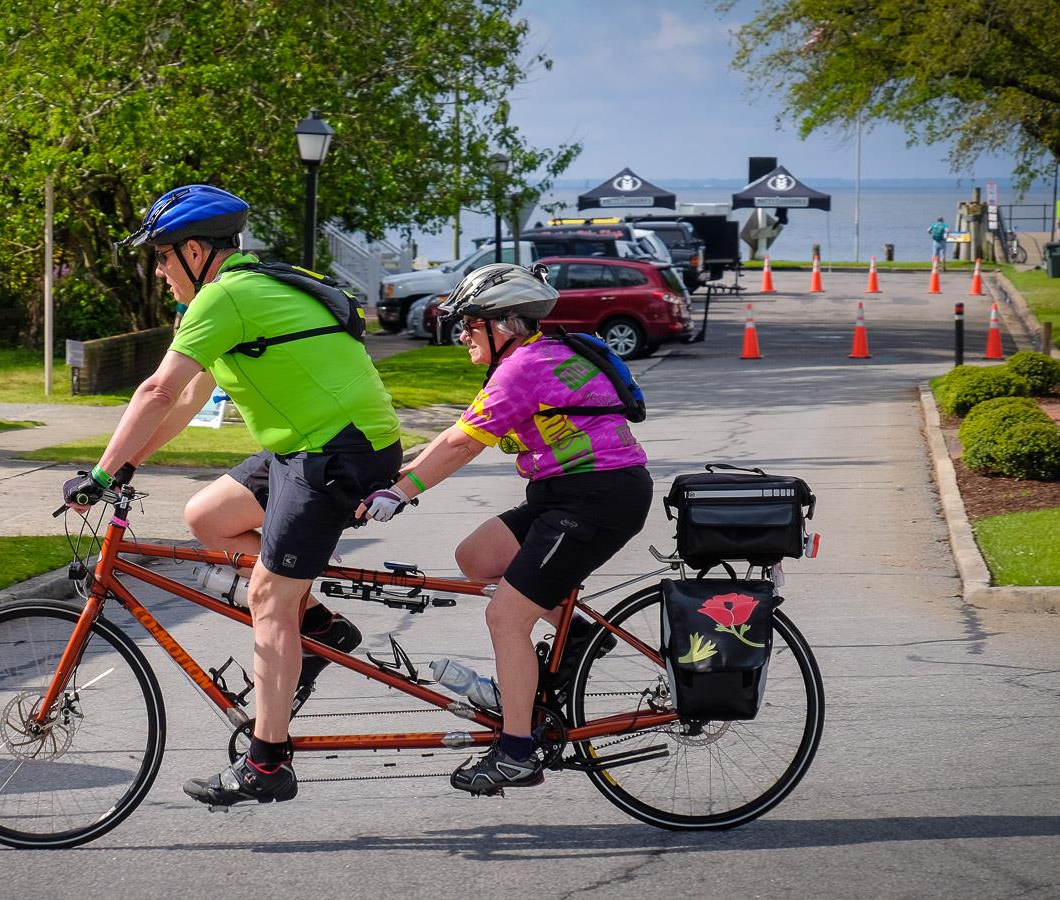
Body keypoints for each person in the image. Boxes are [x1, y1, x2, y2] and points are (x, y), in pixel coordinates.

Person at [62, 183, 403, 807]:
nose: (160, 270)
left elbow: (157, 393)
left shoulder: (227, 296)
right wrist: (128, 463)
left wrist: (103, 474)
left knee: (268, 595)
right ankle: (321, 629)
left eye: (163, 256)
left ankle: (268, 764)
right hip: (303, 446)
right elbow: (187, 400)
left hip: (338, 453)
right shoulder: (234, 293)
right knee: (208, 516)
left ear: (195, 251)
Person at [356, 263, 653, 795]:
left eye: (470, 323)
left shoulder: (523, 368)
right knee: (477, 557)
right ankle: (579, 636)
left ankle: (517, 751)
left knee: (506, 618)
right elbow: (456, 435)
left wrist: (400, 494)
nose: (462, 333)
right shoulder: (535, 357)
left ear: (505, 324)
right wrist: (397, 478)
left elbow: (463, 446)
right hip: (564, 493)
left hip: (596, 499)